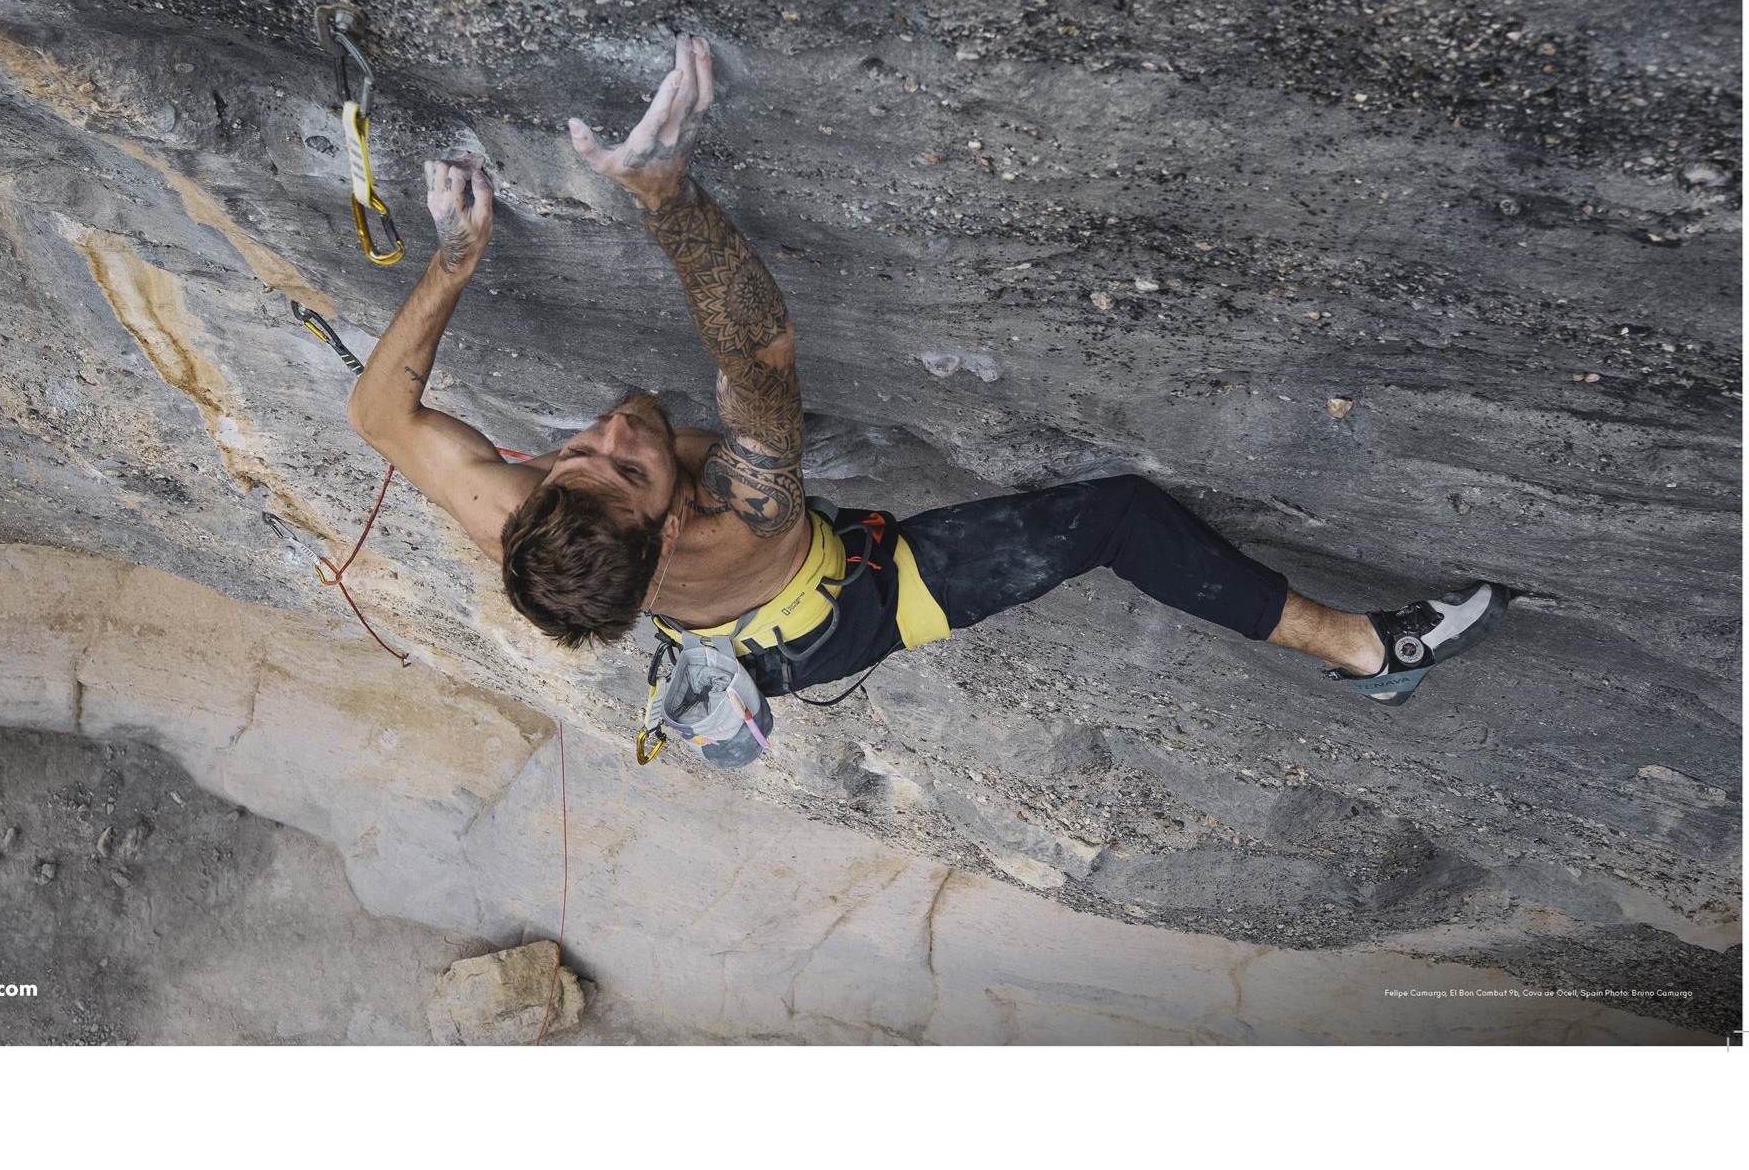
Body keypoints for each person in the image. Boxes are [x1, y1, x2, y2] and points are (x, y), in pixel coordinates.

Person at [346, 35, 1509, 715]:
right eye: (632, 465)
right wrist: (667, 194)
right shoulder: (742, 516)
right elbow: (756, 359)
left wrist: (455, 258)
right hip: (837, 610)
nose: (609, 429)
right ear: (671, 523)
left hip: (712, 627)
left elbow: (376, 409)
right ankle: (1365, 651)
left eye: (581, 451)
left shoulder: (521, 516)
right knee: (1114, 517)